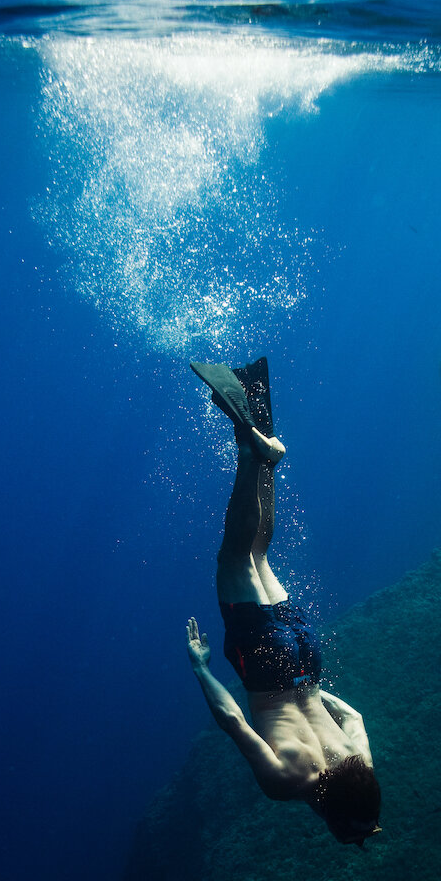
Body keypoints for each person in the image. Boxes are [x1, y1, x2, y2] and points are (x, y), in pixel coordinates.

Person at [185, 357, 382, 846]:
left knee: (258, 548)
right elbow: (233, 720)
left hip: (304, 659)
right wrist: (202, 668)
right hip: (267, 670)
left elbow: (353, 718)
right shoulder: (289, 785)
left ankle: (259, 456)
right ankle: (254, 458)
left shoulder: (360, 763)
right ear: (329, 816)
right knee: (234, 555)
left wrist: (308, 686)